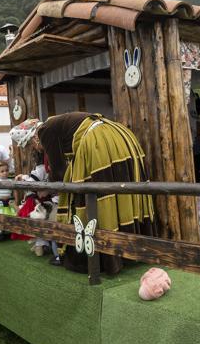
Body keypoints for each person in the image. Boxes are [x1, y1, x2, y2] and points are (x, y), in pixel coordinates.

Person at [36, 112, 155, 274]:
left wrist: (47, 188)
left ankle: (100, 258)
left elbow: (59, 171)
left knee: (91, 197)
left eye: (31, 145)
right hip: (119, 136)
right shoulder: (62, 122)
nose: (37, 148)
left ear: (34, 138)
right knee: (122, 193)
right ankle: (131, 251)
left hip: (98, 142)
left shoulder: (45, 130)